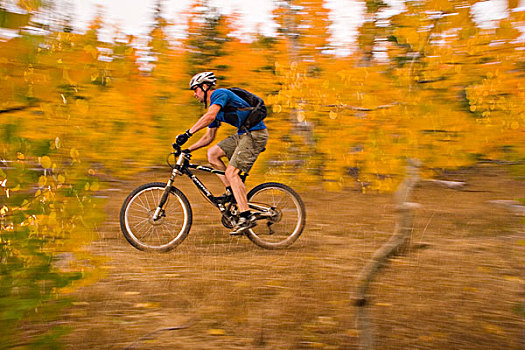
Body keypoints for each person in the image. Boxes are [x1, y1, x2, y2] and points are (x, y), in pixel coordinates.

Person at [174, 72, 268, 235]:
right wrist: (188, 150)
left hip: (255, 134)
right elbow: (209, 137)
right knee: (212, 154)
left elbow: (209, 116)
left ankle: (246, 216)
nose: (194, 94)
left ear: (205, 87)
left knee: (232, 172)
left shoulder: (219, 94)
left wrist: (188, 133)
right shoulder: (215, 107)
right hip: (244, 135)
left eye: (195, 90)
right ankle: (231, 191)